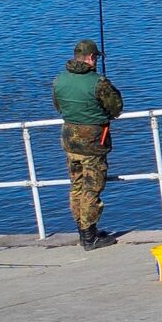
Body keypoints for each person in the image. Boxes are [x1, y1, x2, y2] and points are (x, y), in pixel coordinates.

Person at [52, 38, 123, 249]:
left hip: (69, 141)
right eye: (96, 58)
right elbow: (116, 108)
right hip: (92, 143)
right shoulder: (98, 82)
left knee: (76, 186)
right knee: (92, 188)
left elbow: (58, 107)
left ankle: (83, 230)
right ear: (91, 58)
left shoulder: (59, 80)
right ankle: (89, 236)